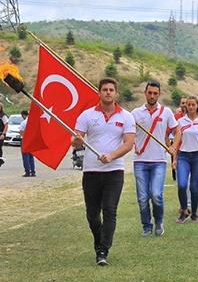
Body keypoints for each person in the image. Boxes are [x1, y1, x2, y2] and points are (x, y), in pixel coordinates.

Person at [73, 78, 136, 266]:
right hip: (91, 170)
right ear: (99, 92)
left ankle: (103, 250)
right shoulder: (87, 115)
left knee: (110, 211)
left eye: (111, 90)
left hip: (114, 171)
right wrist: (76, 140)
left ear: (116, 93)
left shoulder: (126, 117)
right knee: (92, 214)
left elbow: (129, 143)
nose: (108, 92)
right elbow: (76, 139)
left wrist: (112, 156)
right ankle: (99, 239)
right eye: (105, 90)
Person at [131, 81, 180, 237]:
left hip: (159, 161)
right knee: (142, 197)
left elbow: (178, 130)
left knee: (156, 194)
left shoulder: (166, 112)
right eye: (150, 93)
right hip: (140, 160)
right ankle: (146, 226)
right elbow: (127, 132)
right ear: (145, 93)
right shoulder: (135, 113)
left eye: (155, 93)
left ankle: (159, 221)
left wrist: (174, 147)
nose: (152, 96)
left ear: (159, 94)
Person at [174, 96, 198, 223]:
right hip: (183, 156)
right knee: (181, 185)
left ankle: (194, 213)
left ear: (197, 106)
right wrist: (173, 151)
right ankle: (184, 211)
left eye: (193, 105)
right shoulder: (181, 121)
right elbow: (177, 139)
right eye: (188, 105)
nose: (190, 107)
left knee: (194, 187)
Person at [19, 110, 36, 177]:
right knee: (31, 157)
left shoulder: (23, 122)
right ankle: (33, 171)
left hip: (25, 140)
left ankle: (27, 171)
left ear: (23, 115)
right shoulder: (33, 121)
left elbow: (21, 132)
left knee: (25, 156)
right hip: (32, 139)